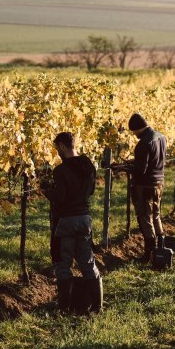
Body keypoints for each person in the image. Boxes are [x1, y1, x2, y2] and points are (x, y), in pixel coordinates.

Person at [43, 132, 103, 314]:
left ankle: (64, 307)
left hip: (65, 222)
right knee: (87, 262)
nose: (57, 151)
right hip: (84, 219)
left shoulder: (60, 171)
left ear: (62, 145)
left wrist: (45, 190)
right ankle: (97, 306)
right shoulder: (88, 165)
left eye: (57, 147)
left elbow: (60, 198)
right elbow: (91, 191)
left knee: (63, 263)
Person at [126, 113, 167, 263]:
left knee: (145, 218)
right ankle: (161, 249)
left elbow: (140, 171)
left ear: (138, 128)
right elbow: (153, 160)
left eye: (134, 131)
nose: (134, 134)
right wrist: (133, 161)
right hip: (159, 183)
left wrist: (124, 169)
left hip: (145, 187)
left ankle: (149, 254)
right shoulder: (161, 137)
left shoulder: (143, 143)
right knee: (156, 215)